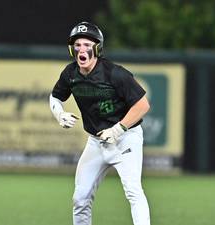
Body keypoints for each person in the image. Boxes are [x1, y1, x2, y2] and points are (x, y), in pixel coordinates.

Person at [49, 21, 151, 225]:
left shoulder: (115, 73)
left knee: (133, 191)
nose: (81, 49)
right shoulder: (70, 74)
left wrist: (118, 129)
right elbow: (55, 97)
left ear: (97, 48)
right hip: (96, 142)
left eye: (87, 44)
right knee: (80, 198)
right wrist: (59, 114)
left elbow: (142, 105)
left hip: (125, 139)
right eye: (77, 45)